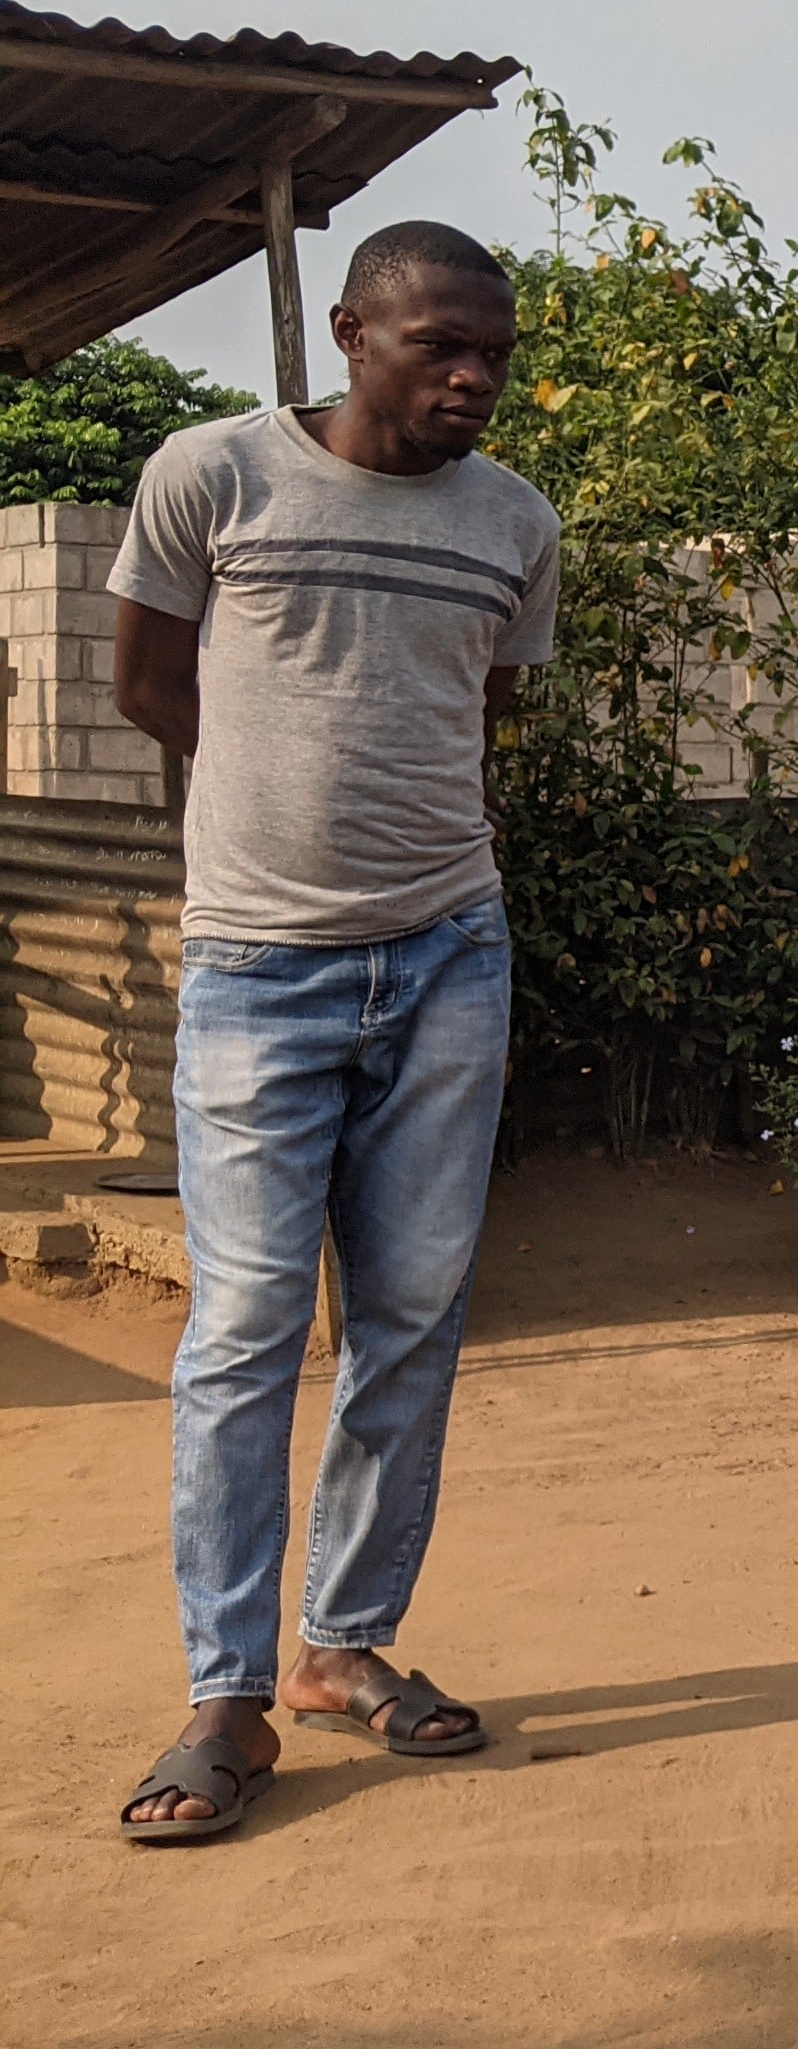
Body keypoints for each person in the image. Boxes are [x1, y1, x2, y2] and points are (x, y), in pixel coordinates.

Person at [105, 222, 556, 1841]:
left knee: (414, 1317)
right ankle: (225, 1692)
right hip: (254, 965)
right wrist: (265, 822)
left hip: (450, 953)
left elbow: (471, 708)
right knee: (240, 1334)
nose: (473, 376)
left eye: (493, 352)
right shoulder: (212, 476)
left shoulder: (515, 523)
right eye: (440, 344)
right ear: (352, 333)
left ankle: (338, 1646)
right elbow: (153, 681)